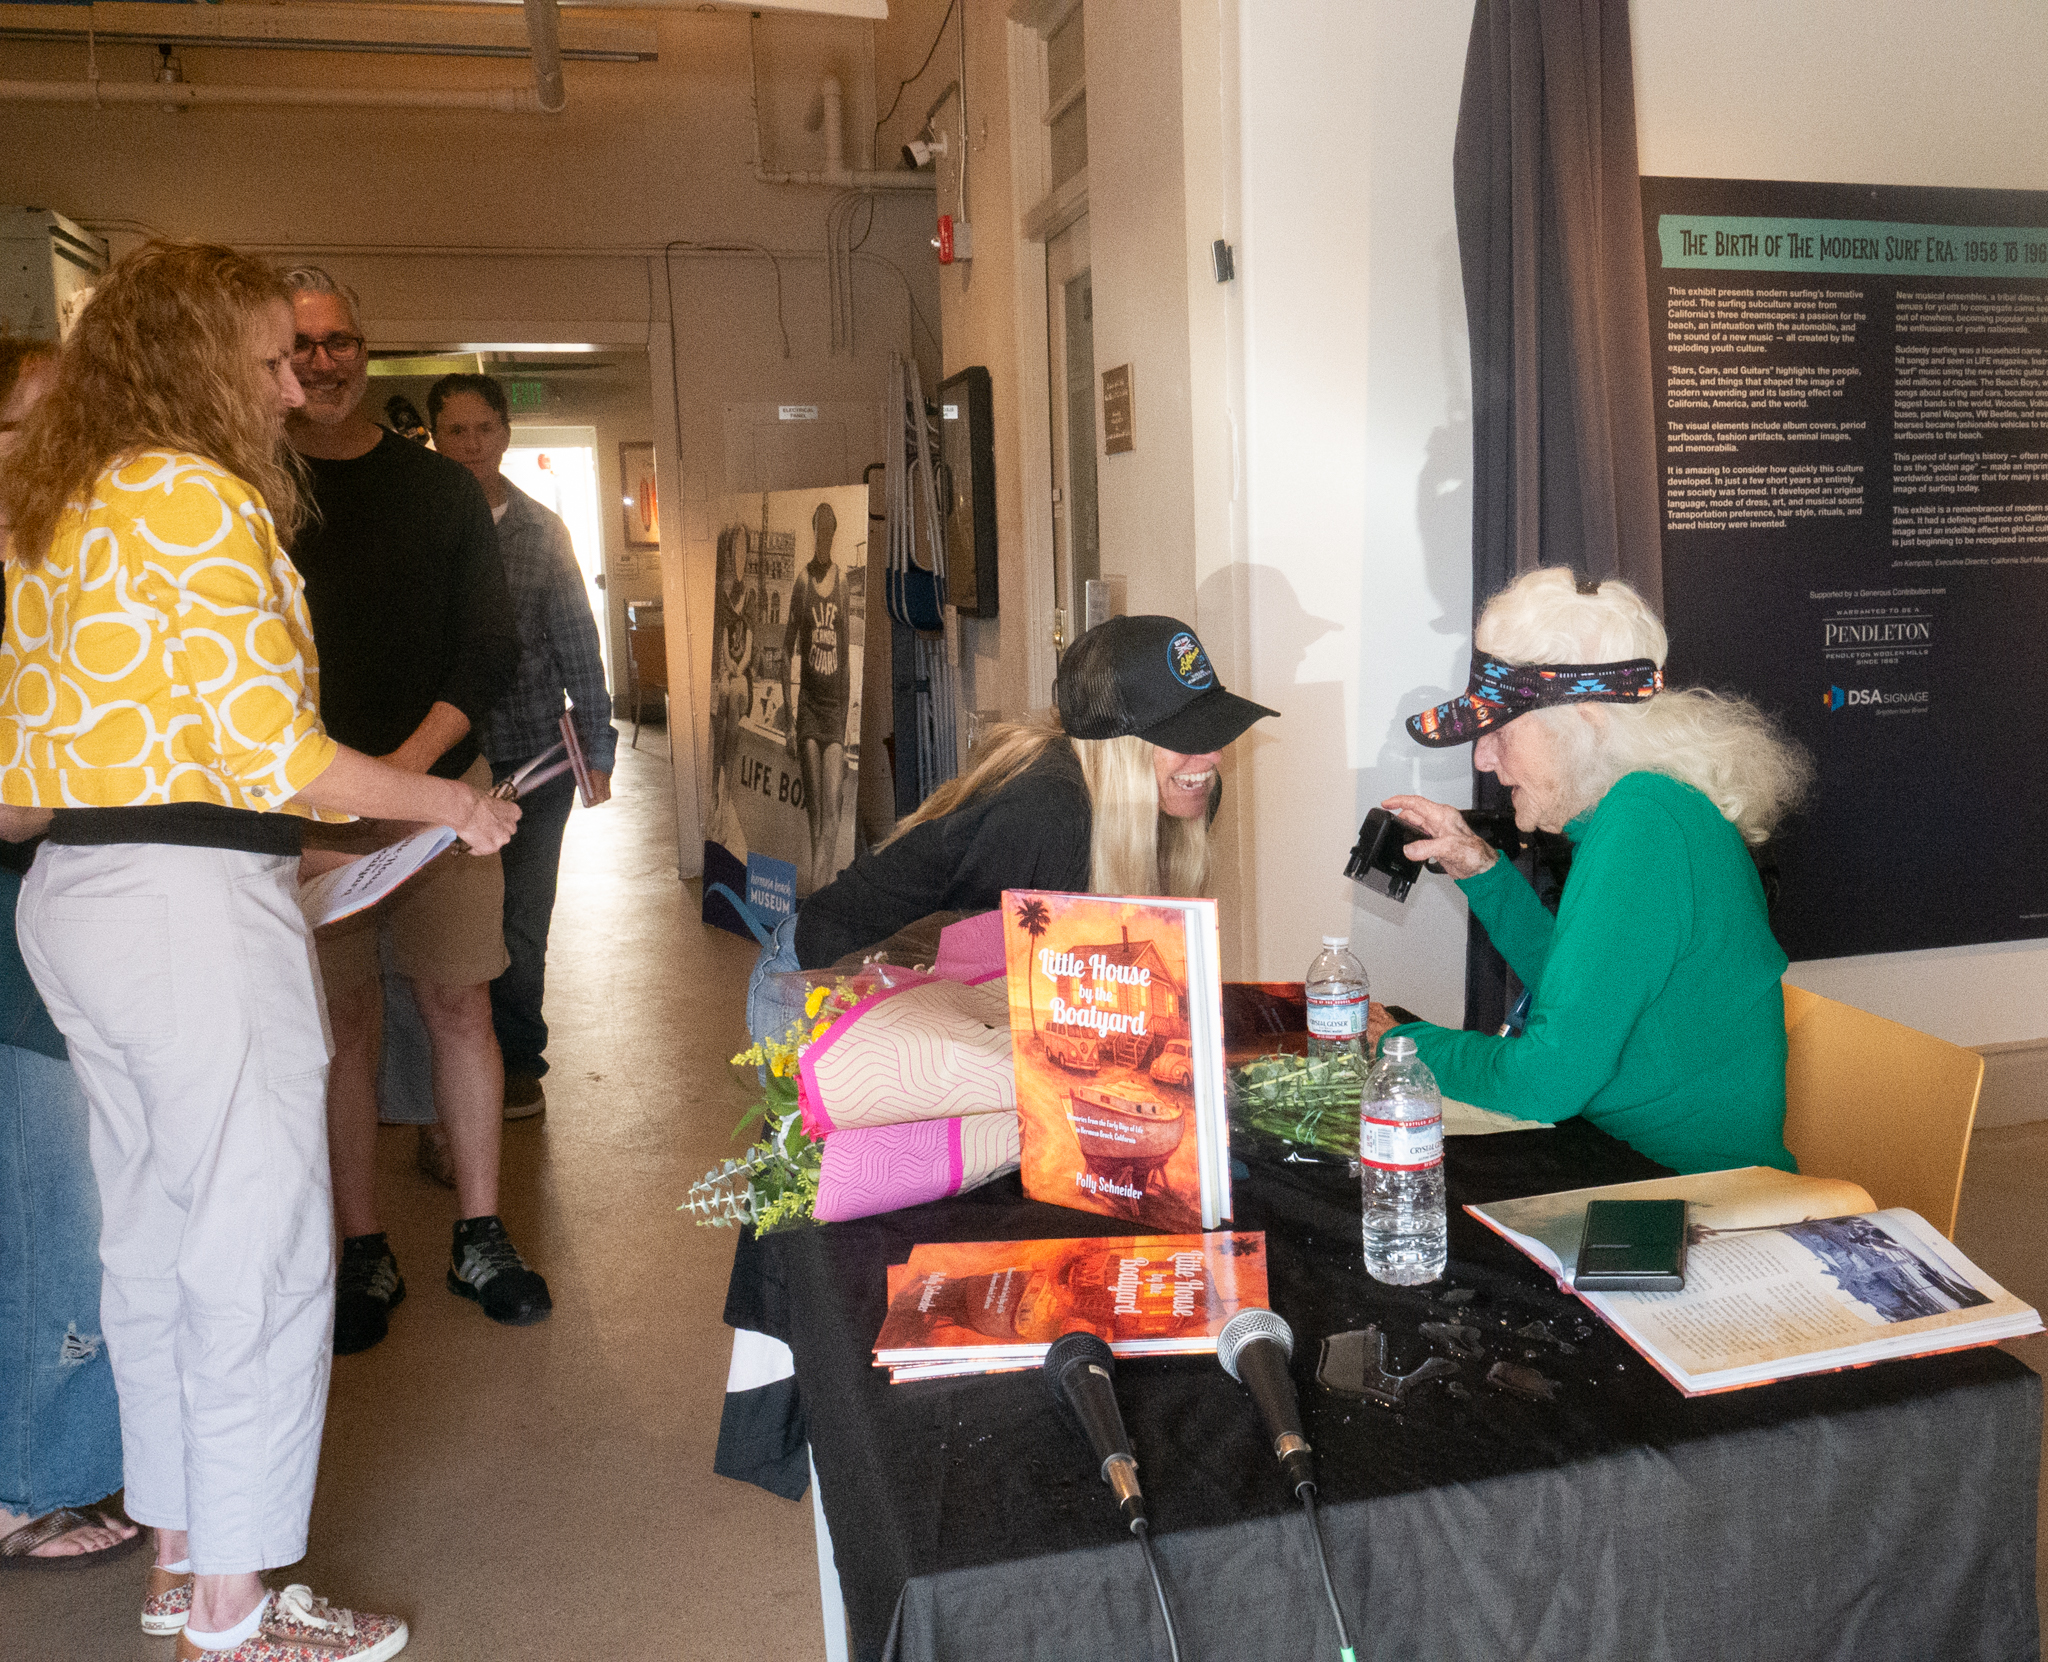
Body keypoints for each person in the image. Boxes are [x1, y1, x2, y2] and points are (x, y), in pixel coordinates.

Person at [0, 240, 518, 1660]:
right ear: (193, 359)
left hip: (84, 894)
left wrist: (262, 846)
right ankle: (234, 1605)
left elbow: (50, 761)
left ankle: (180, 1555)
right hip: (187, 917)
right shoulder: (194, 495)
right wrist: (451, 804)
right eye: (269, 356)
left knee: (154, 1239)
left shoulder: (57, 505)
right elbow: (271, 747)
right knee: (262, 1247)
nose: (293, 384)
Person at [281, 265, 548, 1355]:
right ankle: (363, 1246)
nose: (322, 362)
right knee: (342, 1028)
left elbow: (487, 646)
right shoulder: (246, 490)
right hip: (304, 810)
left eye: (339, 340)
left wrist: (403, 777)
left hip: (442, 796)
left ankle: (480, 1233)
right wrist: (345, 791)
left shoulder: (438, 489)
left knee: (460, 1008)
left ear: (365, 347)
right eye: (300, 345)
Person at [1369, 567, 1812, 1175]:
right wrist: (1481, 870)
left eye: (1502, 730)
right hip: (1631, 1158)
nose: (1483, 757)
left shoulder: (1644, 826)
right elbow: (1580, 995)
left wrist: (1399, 1043)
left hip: (1691, 1188)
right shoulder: (1651, 807)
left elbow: (1543, 1083)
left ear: (1585, 719)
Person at [748, 614, 1276, 1037]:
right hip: (817, 985)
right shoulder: (1050, 815)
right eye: (1186, 737)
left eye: (1213, 729)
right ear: (1120, 751)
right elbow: (997, 1002)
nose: (1214, 756)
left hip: (929, 999)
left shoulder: (1185, 795)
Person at [0, 337, 141, 1568]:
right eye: (42, 422)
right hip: (17, 951)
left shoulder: (62, 562)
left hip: (60, 926)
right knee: (57, 1210)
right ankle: (35, 1481)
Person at [426, 371, 616, 1115]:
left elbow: (577, 642)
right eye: (456, 431)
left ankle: (517, 1062)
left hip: (536, 759)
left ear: (505, 435)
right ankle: (451, 1065)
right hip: (444, 764)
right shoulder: (422, 524)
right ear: (435, 438)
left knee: (522, 920)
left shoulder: (541, 530)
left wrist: (597, 748)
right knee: (451, 928)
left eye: (485, 429)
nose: (472, 444)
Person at [783, 500, 852, 893]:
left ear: (833, 532)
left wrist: (846, 723)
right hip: (809, 708)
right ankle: (819, 893)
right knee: (816, 813)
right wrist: (790, 720)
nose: (824, 535)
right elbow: (787, 650)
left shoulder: (842, 583)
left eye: (829, 529)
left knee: (833, 806)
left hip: (834, 710)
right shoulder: (802, 582)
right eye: (819, 528)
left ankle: (817, 889)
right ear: (814, 531)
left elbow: (846, 658)